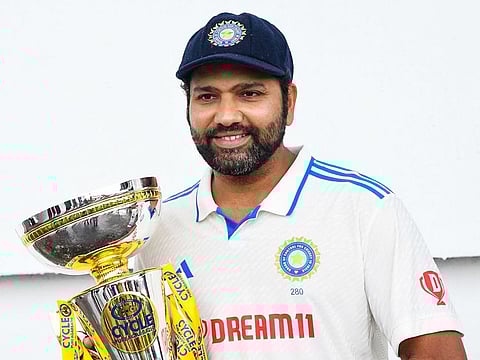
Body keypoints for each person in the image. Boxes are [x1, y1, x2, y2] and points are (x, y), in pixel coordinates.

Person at [136, 12, 467, 359]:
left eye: (249, 93)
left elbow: (438, 352)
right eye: (207, 97)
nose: (227, 116)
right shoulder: (157, 230)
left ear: (289, 102)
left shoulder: (364, 209)